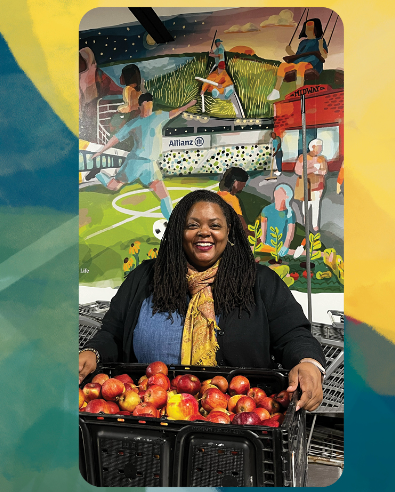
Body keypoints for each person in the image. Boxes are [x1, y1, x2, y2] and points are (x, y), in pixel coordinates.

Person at [77, 190, 326, 411]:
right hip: (149, 415)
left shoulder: (260, 282)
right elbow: (112, 333)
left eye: (214, 225)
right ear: (178, 232)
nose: (204, 232)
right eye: (192, 225)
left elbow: (294, 335)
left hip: (235, 423)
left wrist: (308, 363)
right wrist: (93, 351)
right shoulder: (145, 278)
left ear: (228, 231)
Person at [88, 94, 197, 219]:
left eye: (150, 106)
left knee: (164, 195)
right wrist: (101, 151)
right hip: (135, 162)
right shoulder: (133, 123)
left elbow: (175, 112)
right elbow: (116, 138)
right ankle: (97, 173)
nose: (148, 110)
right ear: (140, 106)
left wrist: (188, 105)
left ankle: (172, 223)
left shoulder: (158, 116)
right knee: (114, 186)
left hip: (151, 164)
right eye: (146, 107)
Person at [267, 18, 328, 101]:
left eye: (310, 28)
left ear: (316, 29)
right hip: (299, 62)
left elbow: (324, 55)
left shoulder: (320, 41)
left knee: (301, 66)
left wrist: (321, 46)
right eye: (306, 29)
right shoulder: (303, 42)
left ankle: (298, 92)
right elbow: (298, 56)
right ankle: (276, 91)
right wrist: (290, 52)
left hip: (313, 63)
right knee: (283, 66)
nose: (308, 31)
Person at [294, 138, 327, 232]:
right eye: (319, 147)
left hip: (318, 185)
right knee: (306, 205)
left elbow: (324, 171)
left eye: (321, 147)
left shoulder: (322, 158)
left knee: (316, 205)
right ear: (312, 147)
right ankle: (305, 220)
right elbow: (298, 171)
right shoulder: (303, 157)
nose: (321, 149)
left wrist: (319, 171)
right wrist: (313, 169)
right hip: (306, 185)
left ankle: (315, 225)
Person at [257, 183, 297, 257]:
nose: (278, 196)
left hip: (281, 247)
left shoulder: (289, 213)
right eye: (277, 193)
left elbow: (290, 233)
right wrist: (262, 245)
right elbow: (263, 230)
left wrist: (286, 246)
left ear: (287, 197)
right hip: (267, 246)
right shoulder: (266, 210)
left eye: (281, 194)